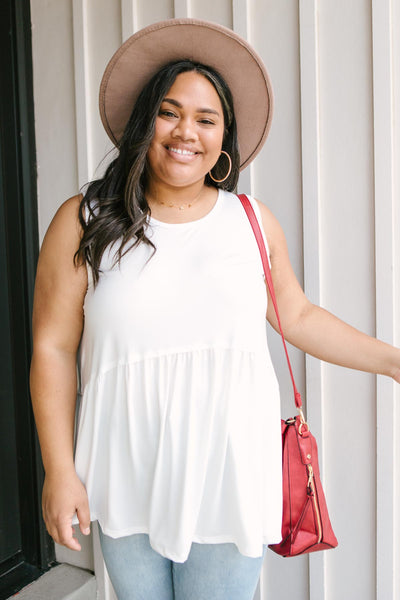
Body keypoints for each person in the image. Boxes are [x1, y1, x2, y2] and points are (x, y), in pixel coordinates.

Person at [30, 18, 400, 600]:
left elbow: (297, 316)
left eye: (207, 119)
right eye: (170, 112)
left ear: (223, 139)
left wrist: (395, 361)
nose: (186, 132)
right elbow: (52, 347)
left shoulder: (250, 221)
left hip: (229, 474)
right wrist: (59, 470)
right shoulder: (85, 219)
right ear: (143, 122)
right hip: (126, 475)